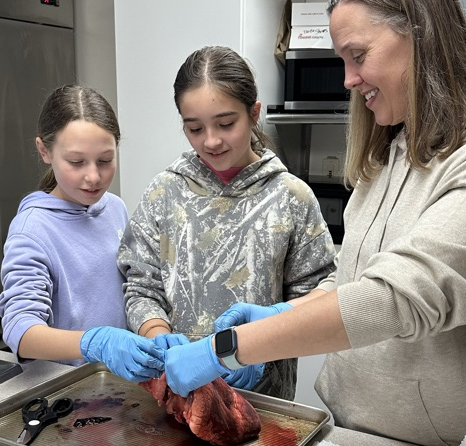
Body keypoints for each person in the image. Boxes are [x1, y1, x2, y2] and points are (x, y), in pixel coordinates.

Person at [158, 0, 466, 446]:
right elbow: (358, 278)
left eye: (357, 55)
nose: (347, 78)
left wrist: (225, 349)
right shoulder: (391, 151)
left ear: (420, 36)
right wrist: (284, 316)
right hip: (360, 443)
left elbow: (401, 296)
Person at [116, 45, 337, 400]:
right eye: (195, 128)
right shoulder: (165, 193)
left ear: (254, 114)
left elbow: (319, 299)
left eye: (226, 123)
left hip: (264, 401)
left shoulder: (290, 198)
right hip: (177, 395)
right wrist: (157, 335)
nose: (211, 140)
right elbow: (141, 285)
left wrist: (262, 345)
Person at [0, 84, 163, 380]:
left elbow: (133, 286)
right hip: (67, 393)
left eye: (105, 160)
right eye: (76, 162)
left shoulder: (114, 207)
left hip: (118, 386)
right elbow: (21, 332)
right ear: (44, 150)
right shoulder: (32, 231)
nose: (93, 177)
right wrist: (94, 342)